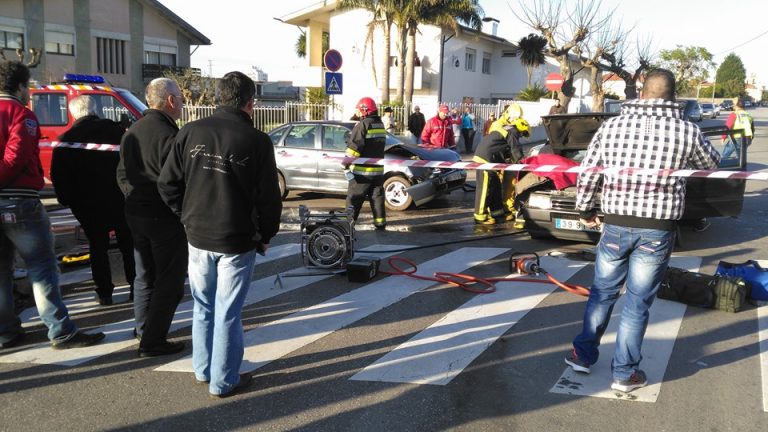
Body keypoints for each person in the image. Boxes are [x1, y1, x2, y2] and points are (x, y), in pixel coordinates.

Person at [565, 69, 720, 393]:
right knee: (637, 303)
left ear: (642, 93)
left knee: (602, 292)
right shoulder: (686, 130)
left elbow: (590, 171)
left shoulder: (612, 126)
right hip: (657, 228)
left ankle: (582, 355)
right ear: (673, 97)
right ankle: (624, 373)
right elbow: (711, 165)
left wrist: (586, 208)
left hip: (616, 222)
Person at [158, 71, 282, 398]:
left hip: (197, 234)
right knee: (228, 310)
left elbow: (167, 183)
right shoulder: (256, 141)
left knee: (203, 305)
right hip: (237, 239)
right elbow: (269, 197)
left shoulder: (190, 132)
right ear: (250, 102)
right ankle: (224, 380)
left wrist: (185, 215)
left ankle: (203, 369)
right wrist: (266, 233)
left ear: (218, 97)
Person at [0, 61, 104, 350]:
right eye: (27, 86)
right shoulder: (22, 115)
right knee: (42, 267)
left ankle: (5, 331)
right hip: (20, 201)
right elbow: (14, 159)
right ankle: (60, 330)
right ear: (20, 86)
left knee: (1, 270)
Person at [116, 78, 187, 357]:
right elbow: (177, 181)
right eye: (180, 98)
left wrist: (133, 196)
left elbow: (121, 174)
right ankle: (153, 340)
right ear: (169, 100)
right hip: (163, 216)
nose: (182, 103)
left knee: (144, 275)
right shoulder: (169, 136)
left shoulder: (132, 131)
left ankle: (143, 327)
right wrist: (180, 211)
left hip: (135, 212)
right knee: (169, 281)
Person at [50, 95, 135, 306]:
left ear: (72, 113)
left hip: (87, 204)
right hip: (119, 199)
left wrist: (67, 200)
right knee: (128, 243)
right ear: (95, 109)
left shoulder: (65, 141)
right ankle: (136, 287)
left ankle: (104, 292)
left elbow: (59, 177)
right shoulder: (117, 132)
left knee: (97, 246)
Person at [472, 103, 528, 225]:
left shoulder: (507, 128)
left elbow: (506, 149)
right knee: (485, 188)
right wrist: (523, 164)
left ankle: (497, 213)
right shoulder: (512, 131)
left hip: (490, 159)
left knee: (496, 186)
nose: (522, 137)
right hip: (485, 159)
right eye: (523, 134)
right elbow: (515, 150)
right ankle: (480, 216)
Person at [343, 97, 387, 229]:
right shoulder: (380, 124)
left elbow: (354, 147)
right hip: (378, 172)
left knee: (354, 198)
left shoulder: (363, 125)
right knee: (377, 198)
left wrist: (345, 163)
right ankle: (380, 223)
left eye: (358, 109)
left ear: (364, 110)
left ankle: (347, 224)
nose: (357, 112)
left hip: (362, 173)